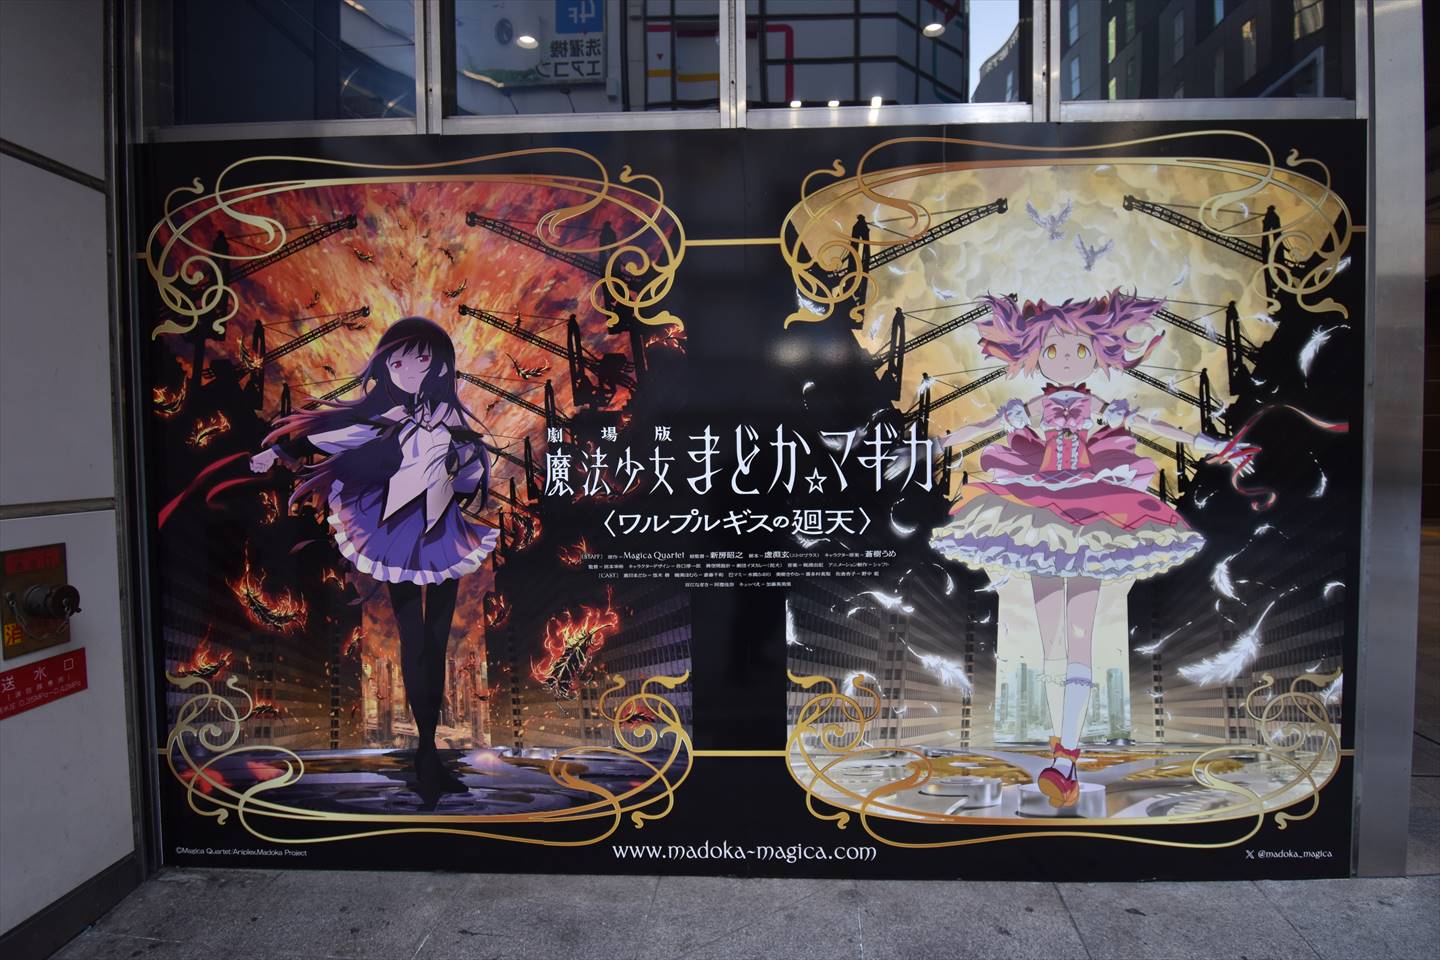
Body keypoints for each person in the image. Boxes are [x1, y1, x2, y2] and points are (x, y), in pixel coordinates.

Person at [929, 291, 1253, 808]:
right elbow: (981, 429)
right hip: (1038, 511)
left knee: (1078, 637)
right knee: (1051, 639)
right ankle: (1062, 750)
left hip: (1094, 508)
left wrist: (1213, 446)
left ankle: (1067, 757)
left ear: (1097, 353)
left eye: (1079, 350)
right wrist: (930, 447)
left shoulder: (1097, 406)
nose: (1066, 359)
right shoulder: (1036, 406)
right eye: (1053, 349)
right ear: (1034, 353)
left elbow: (1155, 427)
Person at [250, 316, 497, 794]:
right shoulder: (383, 417)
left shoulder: (449, 416)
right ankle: (427, 755)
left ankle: (429, 754)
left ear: (438, 365)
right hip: (399, 532)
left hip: (445, 532)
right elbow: (326, 436)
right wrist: (276, 452)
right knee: (414, 637)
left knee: (437, 641)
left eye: (423, 359)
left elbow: (467, 478)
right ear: (386, 365)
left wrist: (461, 462)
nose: (413, 369)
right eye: (401, 361)